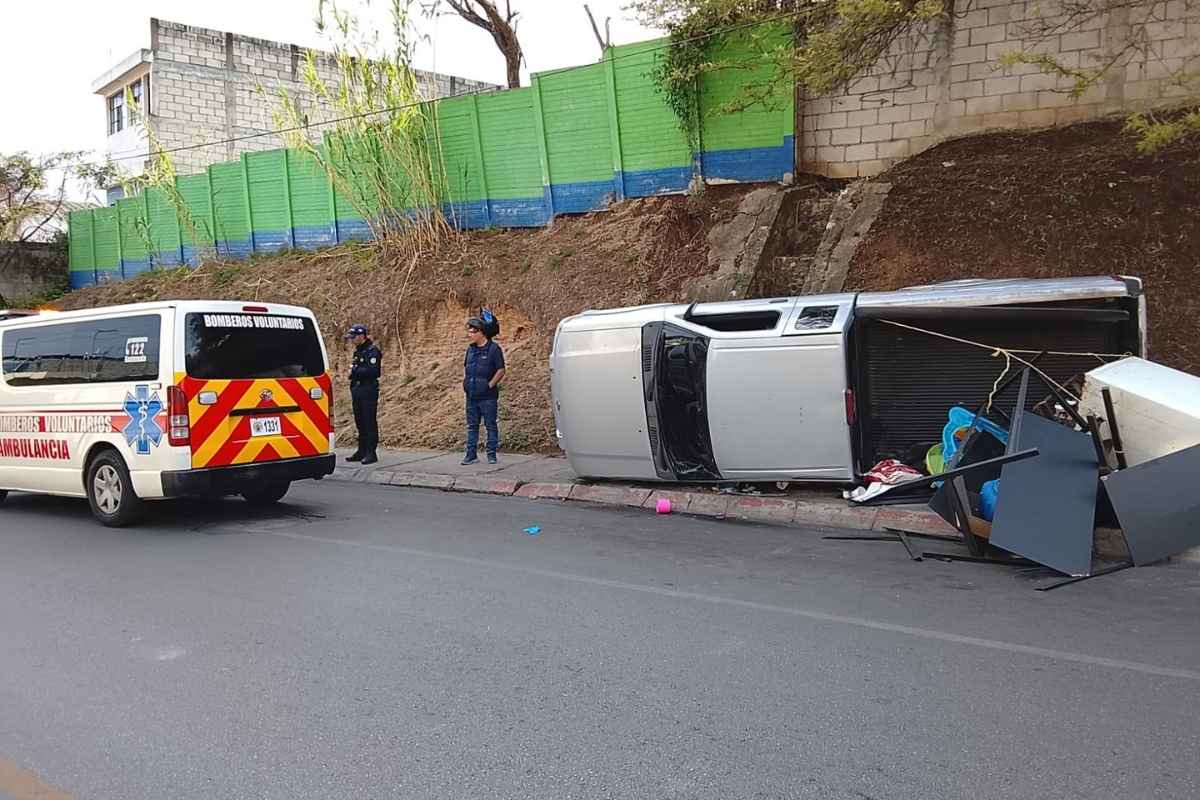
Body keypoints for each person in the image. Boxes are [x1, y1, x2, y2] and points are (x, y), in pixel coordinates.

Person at [461, 314, 506, 465]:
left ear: (482, 332)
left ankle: (491, 455)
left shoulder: (494, 349)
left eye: (473, 331)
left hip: (488, 396)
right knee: (472, 426)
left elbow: (500, 370)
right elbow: (466, 368)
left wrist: (489, 385)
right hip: (471, 395)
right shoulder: (470, 349)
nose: (469, 334)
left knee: (490, 425)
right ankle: (470, 455)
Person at [345, 323, 382, 465]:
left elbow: (374, 372)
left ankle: (371, 453)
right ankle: (361, 450)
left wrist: (354, 372)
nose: (352, 340)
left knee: (369, 421)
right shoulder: (358, 351)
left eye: (353, 337)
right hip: (358, 390)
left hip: (368, 390)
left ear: (361, 336)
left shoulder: (372, 351)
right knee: (359, 421)